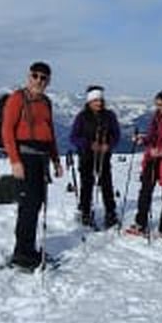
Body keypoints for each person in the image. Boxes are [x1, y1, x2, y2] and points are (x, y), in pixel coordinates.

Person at [1, 61, 63, 269]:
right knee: (28, 206)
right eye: (35, 76)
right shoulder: (17, 98)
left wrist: (55, 160)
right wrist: (15, 161)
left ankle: (28, 250)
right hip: (26, 159)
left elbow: (50, 132)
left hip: (41, 158)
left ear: (48, 81)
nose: (39, 80)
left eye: (43, 77)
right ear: (29, 76)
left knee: (35, 205)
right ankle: (22, 254)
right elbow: (7, 131)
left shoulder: (46, 102)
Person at [126, 90, 162, 239]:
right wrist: (143, 140)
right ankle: (141, 223)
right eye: (157, 105)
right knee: (145, 191)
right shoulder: (156, 118)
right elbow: (152, 136)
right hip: (153, 159)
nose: (159, 107)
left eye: (161, 104)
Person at [68, 85, 121, 228]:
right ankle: (85, 212)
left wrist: (108, 145)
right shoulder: (82, 117)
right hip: (86, 155)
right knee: (87, 184)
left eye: (101, 100)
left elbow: (116, 135)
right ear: (89, 101)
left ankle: (110, 213)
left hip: (104, 155)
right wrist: (88, 144)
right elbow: (73, 137)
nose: (99, 103)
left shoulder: (109, 116)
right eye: (96, 100)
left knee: (107, 184)